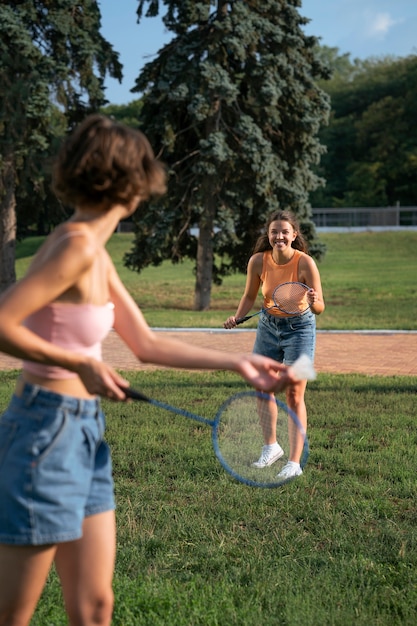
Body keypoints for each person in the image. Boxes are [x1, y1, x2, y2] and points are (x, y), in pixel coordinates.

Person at [0, 115, 300, 626]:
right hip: (44, 429)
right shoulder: (74, 245)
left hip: (84, 431)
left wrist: (239, 361)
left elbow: (145, 343)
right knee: (13, 613)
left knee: (96, 607)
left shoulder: (92, 251)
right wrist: (77, 362)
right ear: (129, 183)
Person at [224, 210, 325, 480]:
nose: (278, 236)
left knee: (294, 394)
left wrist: (314, 299)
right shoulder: (258, 261)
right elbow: (249, 295)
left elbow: (320, 308)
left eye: (284, 231)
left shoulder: (305, 263)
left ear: (294, 235)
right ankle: (272, 447)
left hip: (301, 328)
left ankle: (294, 462)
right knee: (262, 386)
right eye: (273, 232)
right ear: (268, 235)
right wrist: (237, 316)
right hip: (268, 327)